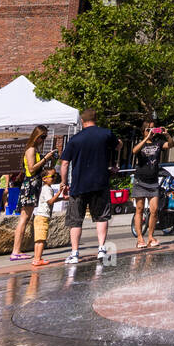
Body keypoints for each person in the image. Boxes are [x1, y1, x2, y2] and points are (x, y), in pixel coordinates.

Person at [59, 109, 116, 265]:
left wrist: (64, 183)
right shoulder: (106, 134)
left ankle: (75, 253)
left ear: (82, 121)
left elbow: (64, 163)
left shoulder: (75, 139)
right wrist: (112, 165)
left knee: (76, 220)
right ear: (96, 119)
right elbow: (118, 146)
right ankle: (102, 249)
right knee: (101, 216)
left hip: (79, 185)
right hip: (100, 183)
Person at [10, 125, 55, 261]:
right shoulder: (30, 149)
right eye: (42, 137)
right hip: (30, 185)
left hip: (33, 185)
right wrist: (45, 159)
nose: (43, 140)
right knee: (24, 218)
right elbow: (31, 167)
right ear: (36, 136)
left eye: (45, 137)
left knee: (25, 218)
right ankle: (16, 251)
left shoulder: (34, 149)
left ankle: (17, 250)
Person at [131, 119, 172, 248]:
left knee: (154, 210)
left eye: (153, 129)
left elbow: (171, 145)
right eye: (149, 129)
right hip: (140, 180)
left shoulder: (158, 143)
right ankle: (139, 239)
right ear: (143, 131)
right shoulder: (141, 144)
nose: (151, 132)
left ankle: (150, 237)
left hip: (153, 181)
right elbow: (134, 151)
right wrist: (146, 138)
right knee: (140, 209)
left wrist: (167, 135)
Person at [31, 170, 64, 268]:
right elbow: (50, 201)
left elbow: (51, 200)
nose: (54, 178)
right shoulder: (47, 189)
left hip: (39, 216)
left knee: (38, 240)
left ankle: (36, 258)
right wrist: (60, 192)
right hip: (43, 217)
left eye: (55, 175)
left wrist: (62, 198)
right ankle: (38, 259)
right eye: (52, 176)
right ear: (44, 179)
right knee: (41, 240)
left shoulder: (45, 188)